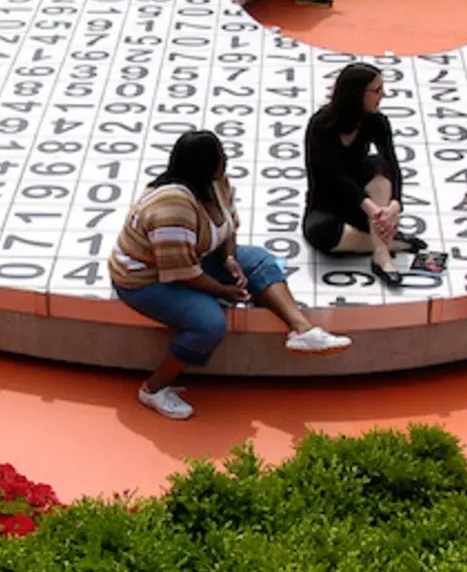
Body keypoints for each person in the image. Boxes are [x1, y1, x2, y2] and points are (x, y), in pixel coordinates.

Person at [110, 130, 352, 420]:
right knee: (209, 323)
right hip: (145, 279)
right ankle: (153, 389)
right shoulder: (171, 206)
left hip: (194, 259)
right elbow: (181, 273)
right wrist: (223, 291)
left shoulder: (217, 185)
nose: (225, 161)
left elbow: (228, 228)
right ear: (204, 164)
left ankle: (302, 329)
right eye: (220, 157)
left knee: (260, 261)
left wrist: (229, 259)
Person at [303, 63, 425, 286]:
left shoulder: (377, 121)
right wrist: (372, 208)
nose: (382, 96)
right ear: (356, 93)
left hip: (364, 201)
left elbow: (392, 164)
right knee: (322, 234)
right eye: (376, 91)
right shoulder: (321, 125)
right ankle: (394, 243)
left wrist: (395, 204)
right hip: (328, 201)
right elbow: (335, 175)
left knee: (378, 165)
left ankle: (381, 253)